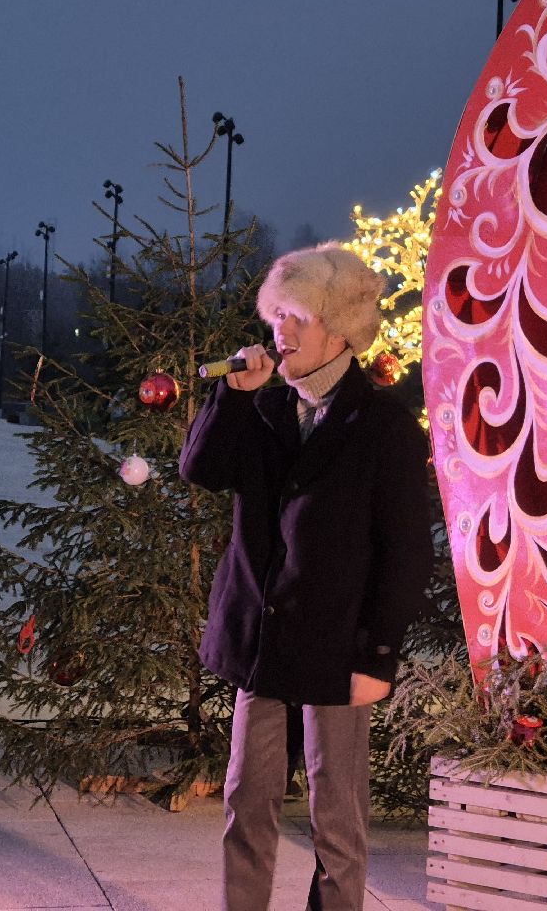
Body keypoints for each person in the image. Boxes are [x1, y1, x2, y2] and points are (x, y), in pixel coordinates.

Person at [179, 243, 433, 911]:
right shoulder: (259, 409)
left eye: (296, 316)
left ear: (340, 329)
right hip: (261, 638)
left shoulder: (383, 428)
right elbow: (200, 470)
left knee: (336, 818)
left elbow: (406, 554)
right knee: (245, 801)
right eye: (276, 315)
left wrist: (379, 653)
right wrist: (230, 399)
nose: (279, 331)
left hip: (338, 645)